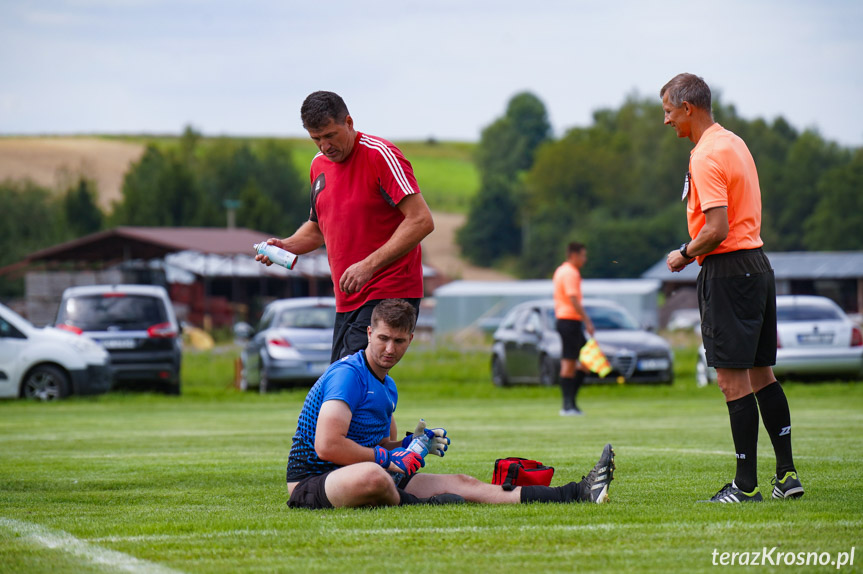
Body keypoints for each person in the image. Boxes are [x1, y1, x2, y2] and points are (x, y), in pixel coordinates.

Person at [285, 299, 616, 509]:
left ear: (411, 340)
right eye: (383, 338)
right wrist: (391, 456)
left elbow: (379, 445)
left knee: (464, 483)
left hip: (360, 471)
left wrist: (415, 444)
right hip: (313, 482)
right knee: (375, 477)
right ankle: (414, 504)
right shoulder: (347, 375)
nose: (390, 348)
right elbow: (328, 446)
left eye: (399, 341)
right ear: (369, 333)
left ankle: (577, 492)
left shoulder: (388, 385)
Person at [661, 73, 802, 503]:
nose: (666, 121)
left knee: (731, 381)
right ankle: (787, 476)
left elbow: (717, 228)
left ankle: (745, 487)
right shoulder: (734, 142)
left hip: (727, 269)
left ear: (689, 107)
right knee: (762, 374)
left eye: (668, 112)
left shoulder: (705, 155)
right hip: (757, 265)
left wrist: (684, 253)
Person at [256, 91, 435, 363]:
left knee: (348, 381)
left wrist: (368, 265)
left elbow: (421, 220)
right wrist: (285, 245)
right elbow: (317, 229)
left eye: (330, 135)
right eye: (316, 139)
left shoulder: (381, 155)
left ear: (349, 123)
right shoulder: (318, 166)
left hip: (389, 290)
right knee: (346, 381)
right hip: (348, 296)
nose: (324, 146)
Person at [552, 242, 594, 416]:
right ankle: (567, 405)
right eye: (583, 255)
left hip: (568, 321)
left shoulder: (560, 270)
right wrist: (587, 320)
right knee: (569, 363)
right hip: (569, 320)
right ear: (574, 255)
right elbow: (573, 299)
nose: (585, 259)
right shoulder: (570, 272)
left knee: (586, 362)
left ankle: (571, 403)